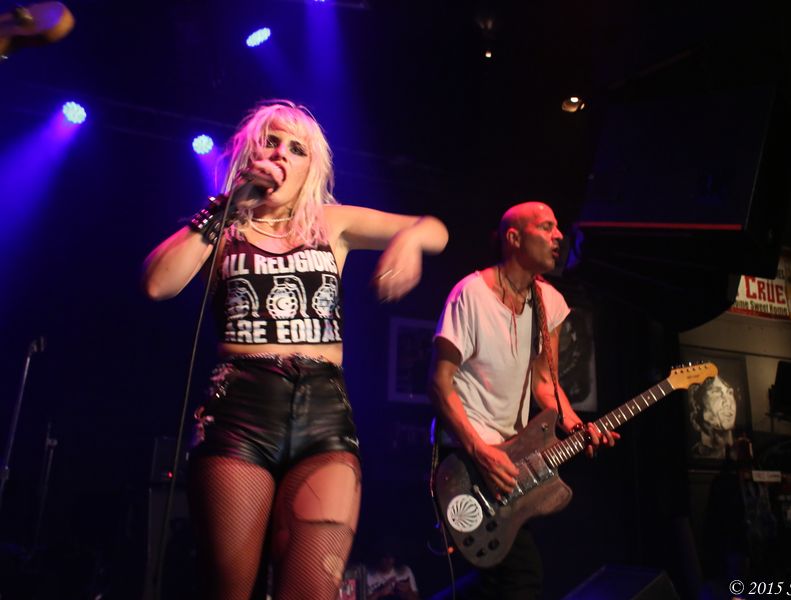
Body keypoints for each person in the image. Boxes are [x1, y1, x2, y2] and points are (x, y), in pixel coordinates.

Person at [142, 100, 448, 600]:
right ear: (249, 154)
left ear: (311, 168)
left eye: (296, 148)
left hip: (324, 416)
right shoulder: (223, 228)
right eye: (271, 142)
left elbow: (434, 228)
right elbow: (157, 284)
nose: (281, 153)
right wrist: (226, 204)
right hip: (240, 412)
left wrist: (410, 242)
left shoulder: (332, 222)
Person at [428, 201, 618, 599]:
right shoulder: (470, 294)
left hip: (512, 462)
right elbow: (440, 383)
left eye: (558, 228)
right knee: (521, 578)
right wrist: (480, 451)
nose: (559, 236)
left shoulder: (550, 302)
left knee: (497, 579)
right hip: (467, 457)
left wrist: (576, 425)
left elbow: (545, 383)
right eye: (547, 227)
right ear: (514, 238)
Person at [688, 375, 737, 459]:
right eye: (716, 392)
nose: (728, 402)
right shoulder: (693, 457)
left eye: (729, 393)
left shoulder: (744, 452)